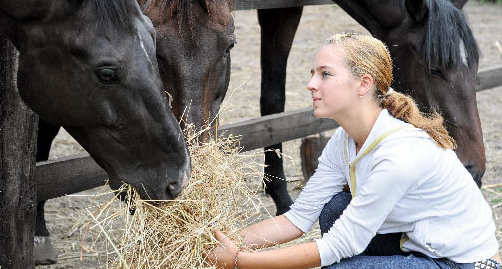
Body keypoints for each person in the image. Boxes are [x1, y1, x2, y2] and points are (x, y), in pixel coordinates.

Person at [205, 33, 501, 269]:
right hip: (416, 243)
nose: (310, 84)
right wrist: (215, 242)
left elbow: (338, 246)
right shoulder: (344, 141)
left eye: (325, 74)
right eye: (313, 73)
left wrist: (238, 261)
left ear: (364, 84)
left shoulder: (399, 155)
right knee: (335, 208)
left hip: (461, 262)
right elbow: (296, 220)